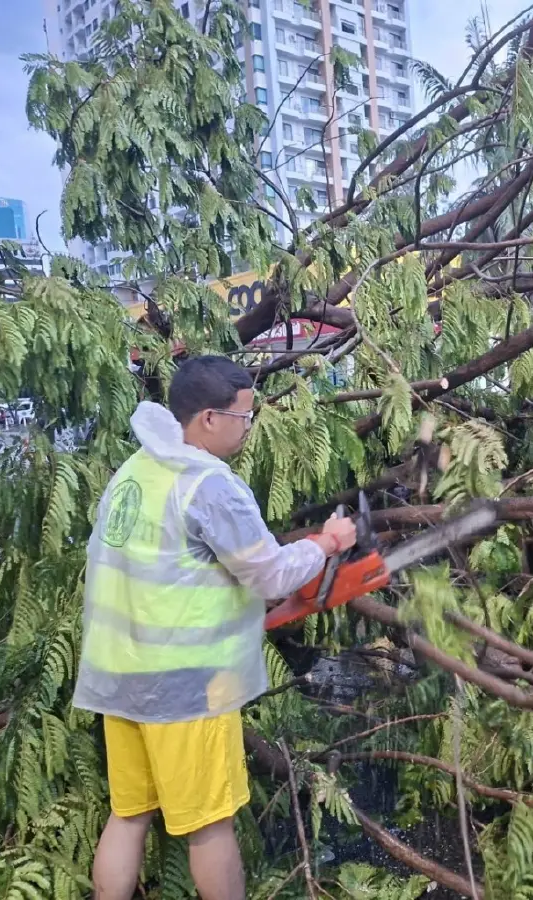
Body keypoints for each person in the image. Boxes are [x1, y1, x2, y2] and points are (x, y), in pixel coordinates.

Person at [73, 356, 356, 900]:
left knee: (128, 815)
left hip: (119, 677)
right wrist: (327, 543)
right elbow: (270, 573)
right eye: (244, 418)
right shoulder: (207, 484)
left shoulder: (136, 470)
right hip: (186, 687)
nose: (249, 429)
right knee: (210, 824)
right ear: (207, 418)